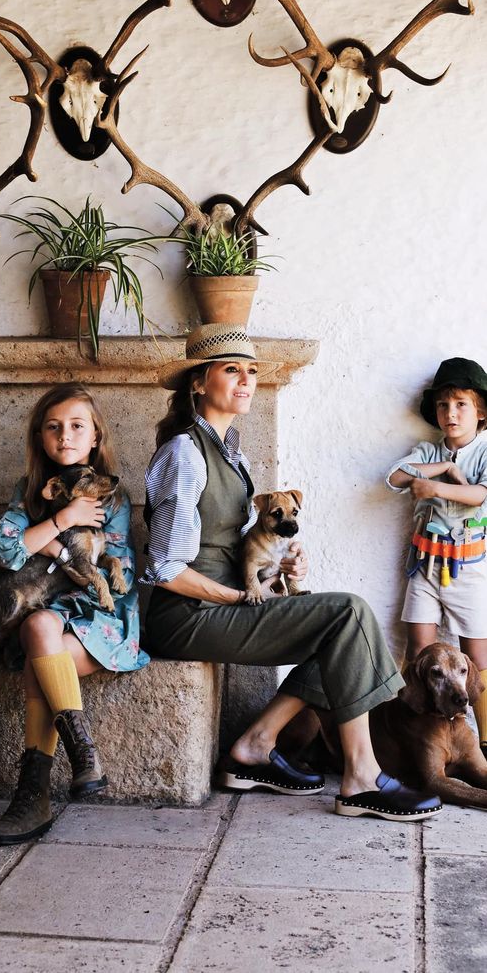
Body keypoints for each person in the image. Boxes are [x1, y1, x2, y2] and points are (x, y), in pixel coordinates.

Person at [143, 323, 441, 822]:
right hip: (188, 614)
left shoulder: (228, 452)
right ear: (198, 383)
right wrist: (240, 598)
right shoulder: (184, 453)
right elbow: (165, 567)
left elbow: (227, 541)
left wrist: (278, 565)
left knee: (340, 627)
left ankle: (255, 746)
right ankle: (362, 776)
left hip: (219, 602)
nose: (246, 380)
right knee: (347, 612)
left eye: (252, 371)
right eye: (231, 370)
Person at [0, 383, 149, 845]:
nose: (65, 436)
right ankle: (82, 754)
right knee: (39, 626)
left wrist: (51, 549)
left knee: (40, 643)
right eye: (53, 427)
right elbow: (1, 547)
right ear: (41, 438)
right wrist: (60, 522)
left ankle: (32, 792)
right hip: (45, 611)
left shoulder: (112, 496)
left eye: (77, 426)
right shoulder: (31, 492)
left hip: (100, 620)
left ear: (96, 436)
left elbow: (116, 573)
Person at [386, 357, 487, 754]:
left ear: (480, 412)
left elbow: (480, 495)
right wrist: (441, 467)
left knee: (477, 657)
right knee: (418, 653)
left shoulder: (483, 452)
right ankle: (416, 734)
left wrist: (439, 489)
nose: (451, 413)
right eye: (444, 406)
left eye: (461, 404)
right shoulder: (428, 451)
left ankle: (484, 738)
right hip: (425, 570)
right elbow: (394, 477)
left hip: (468, 570)